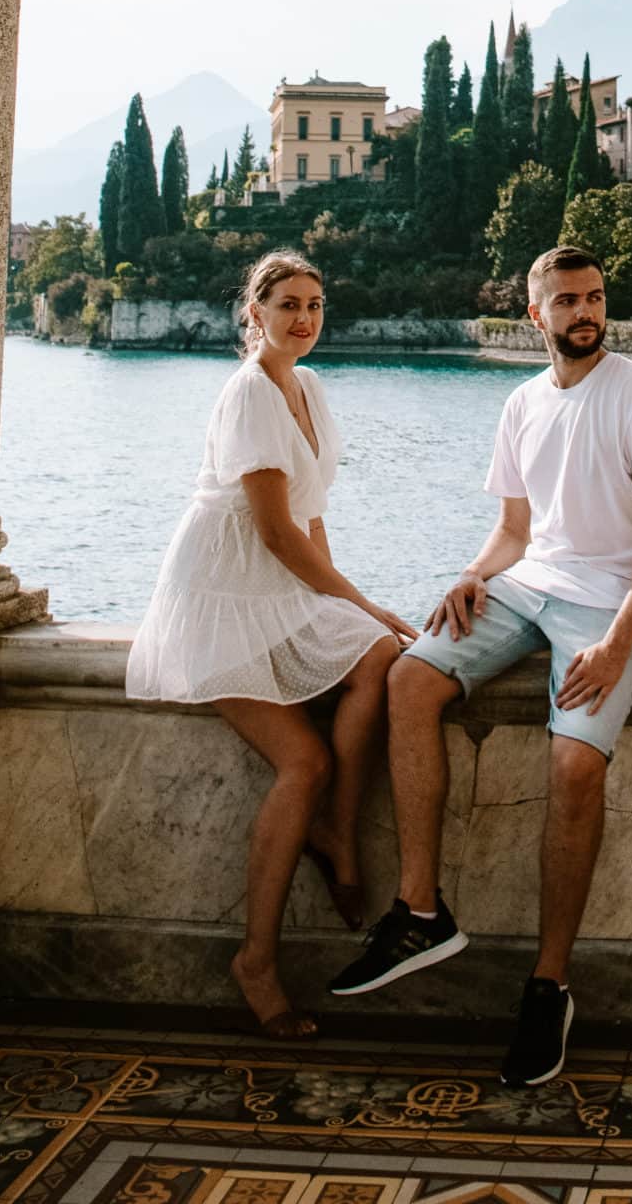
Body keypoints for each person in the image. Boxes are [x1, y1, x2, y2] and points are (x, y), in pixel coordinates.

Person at [328, 244, 632, 1089]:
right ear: (536, 315)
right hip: (530, 586)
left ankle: (548, 984)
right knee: (409, 678)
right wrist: (469, 574)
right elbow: (515, 533)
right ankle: (420, 910)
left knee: (571, 766)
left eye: (594, 297)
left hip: (614, 605)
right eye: (566, 301)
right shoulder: (522, 403)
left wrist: (616, 642)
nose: (585, 312)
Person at [127, 248, 416, 1038]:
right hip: (220, 595)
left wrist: (355, 610)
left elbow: (313, 518)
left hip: (278, 588)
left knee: (379, 656)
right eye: (287, 304)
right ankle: (256, 959)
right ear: (251, 313)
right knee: (304, 760)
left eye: (316, 305)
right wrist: (363, 601)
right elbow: (274, 532)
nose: (304, 319)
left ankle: (338, 833)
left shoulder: (310, 388)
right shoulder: (249, 392)